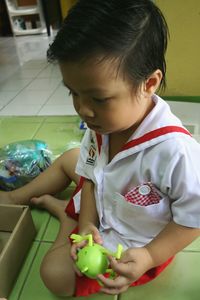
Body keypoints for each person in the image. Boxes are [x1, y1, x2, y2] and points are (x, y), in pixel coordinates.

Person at [1, 0, 200, 297]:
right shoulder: (102, 127)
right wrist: (87, 224)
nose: (83, 110)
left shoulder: (176, 153)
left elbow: (193, 218)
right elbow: (92, 178)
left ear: (149, 83)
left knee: (53, 275)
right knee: (71, 158)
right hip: (99, 208)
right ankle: (15, 197)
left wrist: (148, 256)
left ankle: (63, 214)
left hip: (130, 245)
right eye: (74, 93)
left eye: (99, 98)